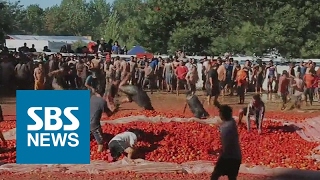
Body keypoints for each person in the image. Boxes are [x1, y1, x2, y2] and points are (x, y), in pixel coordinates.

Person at [211, 103, 241, 180]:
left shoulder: (226, 127)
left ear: (223, 115)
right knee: (232, 177)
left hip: (228, 157)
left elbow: (228, 145)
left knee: (214, 176)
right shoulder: (232, 121)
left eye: (220, 113)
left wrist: (218, 152)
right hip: (236, 157)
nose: (219, 115)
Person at [90, 88, 114, 152]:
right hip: (93, 123)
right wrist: (114, 110)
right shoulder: (102, 101)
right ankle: (99, 153)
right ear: (104, 94)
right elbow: (108, 114)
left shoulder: (90, 98)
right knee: (100, 141)